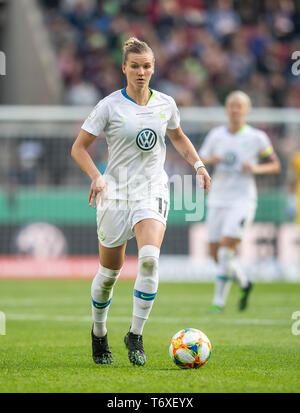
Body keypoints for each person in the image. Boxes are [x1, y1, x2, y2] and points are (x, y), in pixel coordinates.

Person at [71, 37, 211, 366]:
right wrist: (97, 176)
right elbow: (79, 148)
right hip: (114, 193)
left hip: (152, 188)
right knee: (109, 274)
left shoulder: (165, 104)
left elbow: (177, 136)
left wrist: (199, 164)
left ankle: (135, 334)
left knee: (149, 259)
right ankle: (99, 332)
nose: (141, 71)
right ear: (124, 68)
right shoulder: (108, 106)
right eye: (134, 66)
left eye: (146, 66)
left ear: (153, 69)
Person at [198, 91, 280, 313]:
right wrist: (211, 159)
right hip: (217, 199)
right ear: (226, 109)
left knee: (226, 252)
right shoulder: (216, 135)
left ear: (246, 110)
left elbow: (274, 164)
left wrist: (256, 168)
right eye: (232, 105)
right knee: (215, 254)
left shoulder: (257, 137)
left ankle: (218, 303)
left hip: (242, 200)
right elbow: (199, 158)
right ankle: (244, 281)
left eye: (239, 106)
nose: (235, 110)